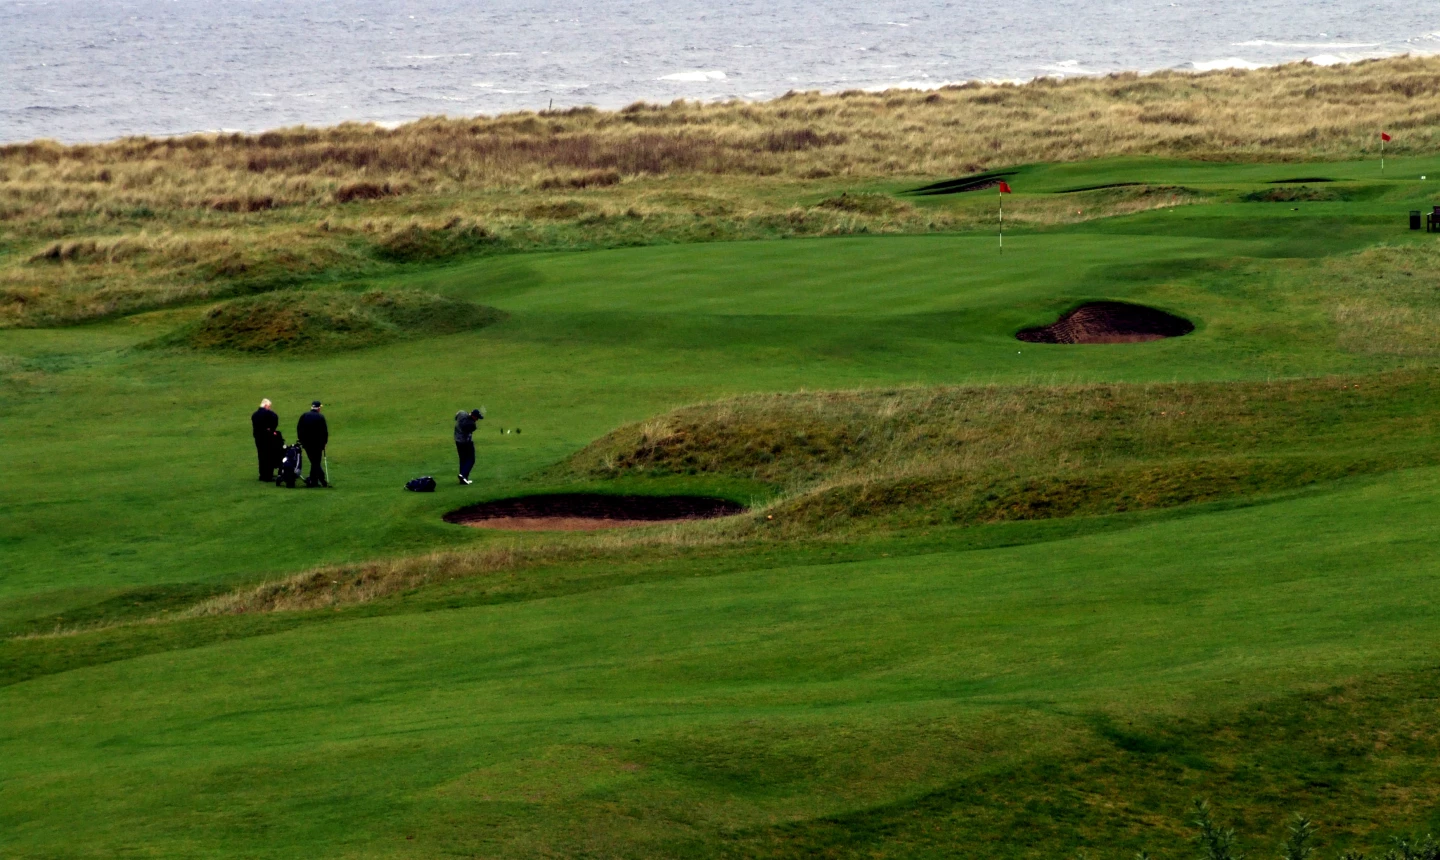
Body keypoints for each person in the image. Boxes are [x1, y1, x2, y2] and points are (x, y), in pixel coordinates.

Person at [296, 400, 329, 488]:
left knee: (314, 462)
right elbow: (324, 432)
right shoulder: (320, 417)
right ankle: (322, 480)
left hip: (307, 444)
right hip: (318, 445)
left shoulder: (304, 416)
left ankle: (313, 481)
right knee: (316, 462)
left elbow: (299, 429)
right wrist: (324, 443)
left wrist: (301, 440)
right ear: (318, 408)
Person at [250, 398, 280, 481]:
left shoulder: (254, 414)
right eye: (269, 406)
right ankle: (268, 476)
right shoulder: (269, 414)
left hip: (258, 438)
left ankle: (262, 474)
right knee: (269, 456)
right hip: (268, 437)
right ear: (266, 406)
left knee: (261, 455)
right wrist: (272, 429)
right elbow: (275, 418)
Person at [454, 408, 482, 485]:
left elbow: (456, 417)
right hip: (466, 442)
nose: (477, 420)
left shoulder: (461, 413)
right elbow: (470, 428)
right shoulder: (472, 425)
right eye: (477, 418)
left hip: (457, 440)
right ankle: (463, 475)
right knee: (471, 459)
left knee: (462, 459)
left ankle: (462, 478)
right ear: (474, 416)